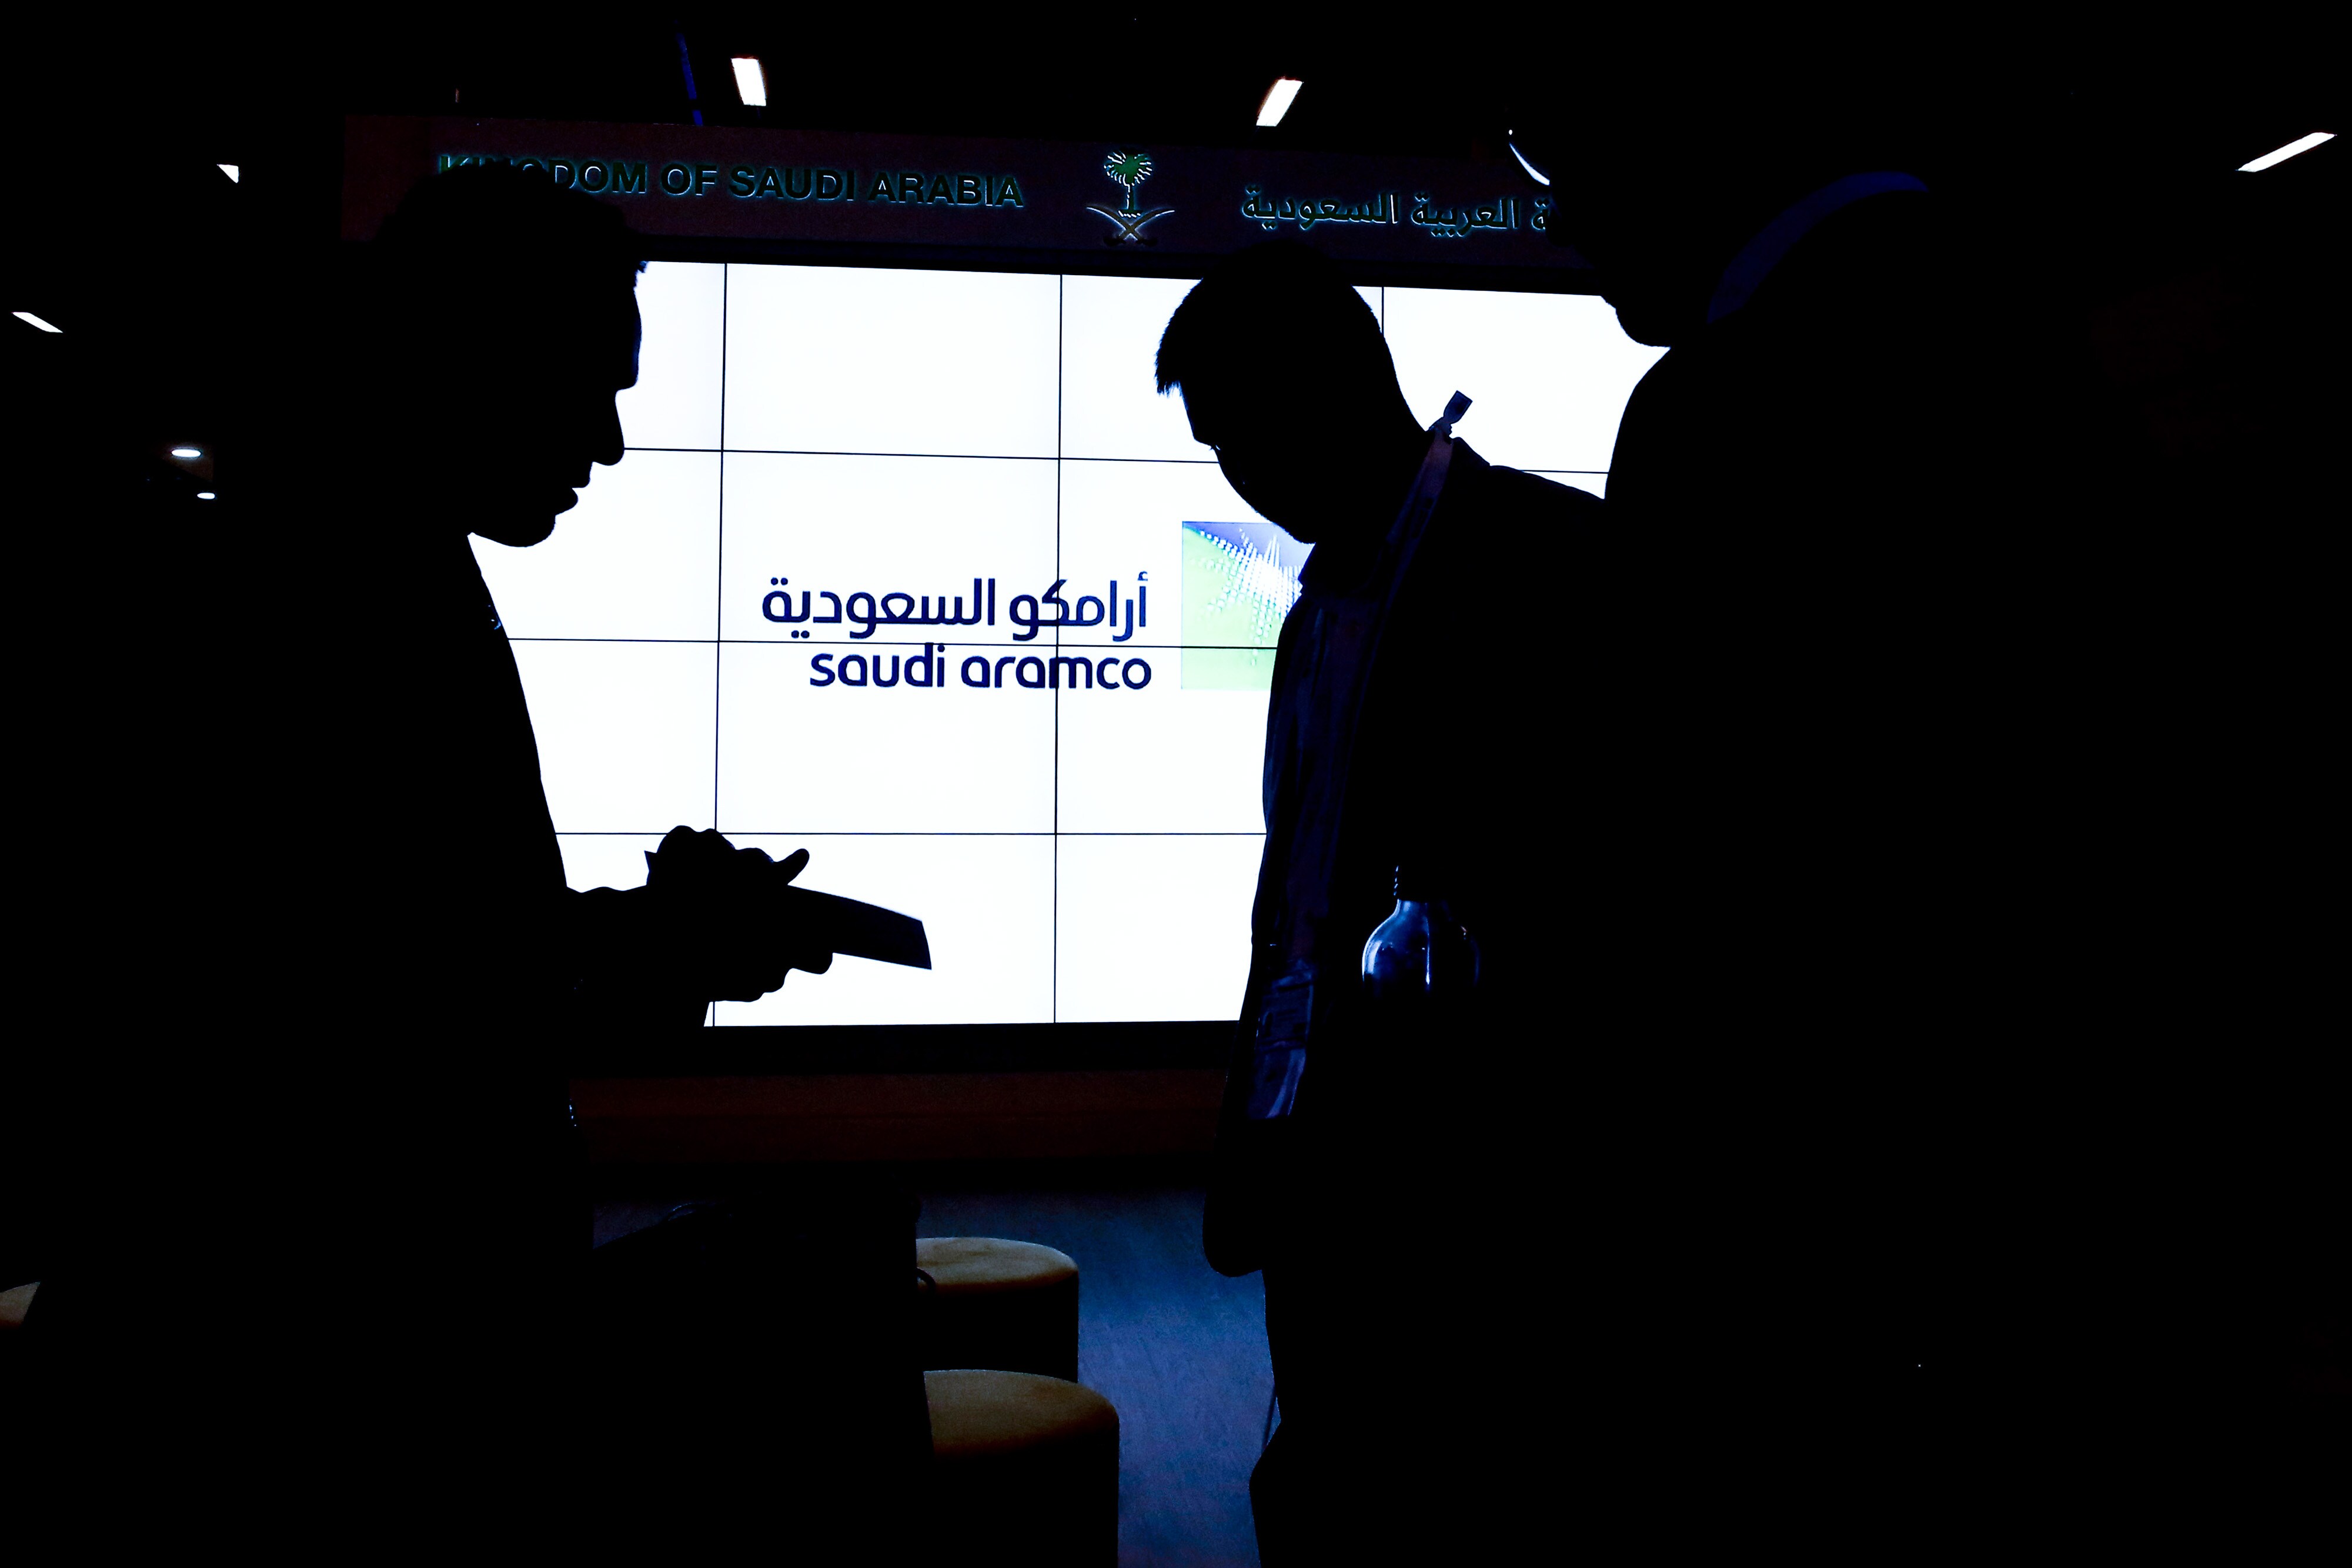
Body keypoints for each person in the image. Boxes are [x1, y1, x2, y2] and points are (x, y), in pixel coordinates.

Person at [1505, 39, 2343, 1549]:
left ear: (1680, 148)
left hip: (1827, 1235)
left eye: (1561, 169)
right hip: (2098, 1214)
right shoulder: (2053, 325)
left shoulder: (1723, 406)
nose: (1556, 219)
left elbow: (1689, 872)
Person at [14, 162, 923, 1546]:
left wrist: (647, 929)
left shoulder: (348, 547)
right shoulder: (318, 585)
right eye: (587, 385)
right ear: (463, 353)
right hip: (305, 1368)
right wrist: (659, 942)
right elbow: (360, 1018)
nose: (609, 443)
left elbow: (421, 934)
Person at [1159, 241, 1599, 1562]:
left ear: (1334, 388)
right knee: (1331, 1474)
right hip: (1317, 1147)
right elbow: (1298, 883)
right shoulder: (1314, 604)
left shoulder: (1553, 561)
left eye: (1241, 436)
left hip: (1486, 1176)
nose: (1237, 480)